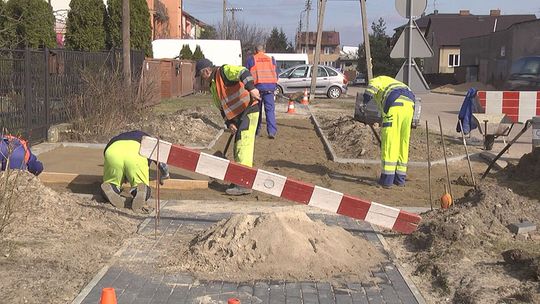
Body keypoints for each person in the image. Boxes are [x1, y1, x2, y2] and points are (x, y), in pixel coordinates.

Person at [195, 58, 261, 195]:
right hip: (238, 117)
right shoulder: (213, 87)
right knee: (238, 147)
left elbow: (243, 72)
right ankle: (239, 177)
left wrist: (252, 88)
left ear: (206, 71)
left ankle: (244, 183)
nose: (202, 79)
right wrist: (229, 123)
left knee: (244, 146)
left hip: (249, 110)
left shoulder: (224, 72)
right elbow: (222, 109)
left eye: (201, 75)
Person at [362, 76, 415, 188]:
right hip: (410, 105)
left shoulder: (377, 80)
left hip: (394, 105)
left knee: (390, 143)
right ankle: (400, 179)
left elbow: (369, 91)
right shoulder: (392, 82)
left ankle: (387, 180)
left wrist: (364, 103)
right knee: (403, 142)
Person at [101, 130, 169, 211]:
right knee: (141, 185)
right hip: (136, 154)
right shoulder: (148, 140)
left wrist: (123, 173)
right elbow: (161, 161)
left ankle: (112, 187)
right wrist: (165, 175)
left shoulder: (119, 137)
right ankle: (140, 189)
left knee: (112, 182)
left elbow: (106, 153)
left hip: (113, 151)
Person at [245, 45, 279, 139]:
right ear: (264, 50)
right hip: (269, 89)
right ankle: (271, 131)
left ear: (255, 51)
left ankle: (256, 131)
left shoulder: (251, 59)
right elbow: (276, 73)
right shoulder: (271, 59)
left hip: (257, 89)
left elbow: (246, 74)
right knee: (270, 110)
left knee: (256, 110)